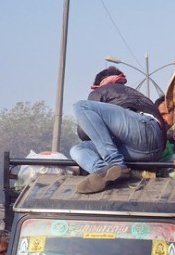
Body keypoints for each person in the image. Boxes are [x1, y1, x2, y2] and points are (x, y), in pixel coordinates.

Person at [70, 66, 166, 194]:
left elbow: (83, 132)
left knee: (80, 106)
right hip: (150, 152)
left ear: (100, 83)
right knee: (78, 149)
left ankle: (115, 164)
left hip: (142, 129)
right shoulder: (134, 93)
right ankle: (105, 172)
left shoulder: (103, 90)